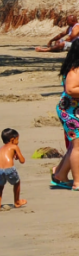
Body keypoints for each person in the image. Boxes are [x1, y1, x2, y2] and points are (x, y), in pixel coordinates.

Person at [53, 43, 79, 189]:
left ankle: (60, 174)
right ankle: (77, 182)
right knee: (77, 147)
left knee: (74, 146)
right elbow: (70, 89)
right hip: (70, 111)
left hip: (73, 110)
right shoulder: (75, 70)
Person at [0, 128, 26, 211]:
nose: (18, 141)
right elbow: (22, 161)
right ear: (12, 140)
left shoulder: (0, 149)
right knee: (17, 183)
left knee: (0, 187)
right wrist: (18, 156)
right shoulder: (14, 147)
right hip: (9, 169)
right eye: (17, 139)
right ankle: (17, 202)